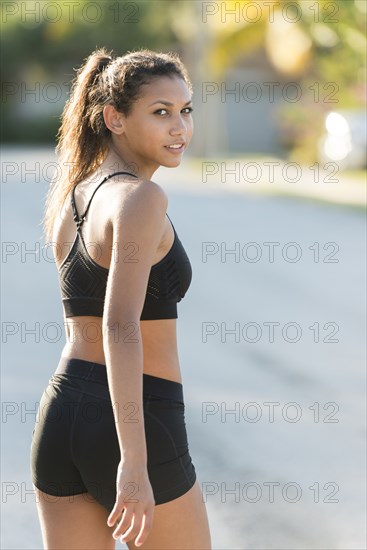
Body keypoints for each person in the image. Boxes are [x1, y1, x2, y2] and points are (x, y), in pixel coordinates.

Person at [30, 47, 212, 549]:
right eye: (161, 112)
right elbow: (119, 327)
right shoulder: (141, 197)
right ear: (114, 118)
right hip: (136, 418)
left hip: (62, 414)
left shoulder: (74, 196)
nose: (180, 128)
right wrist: (133, 462)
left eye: (185, 110)